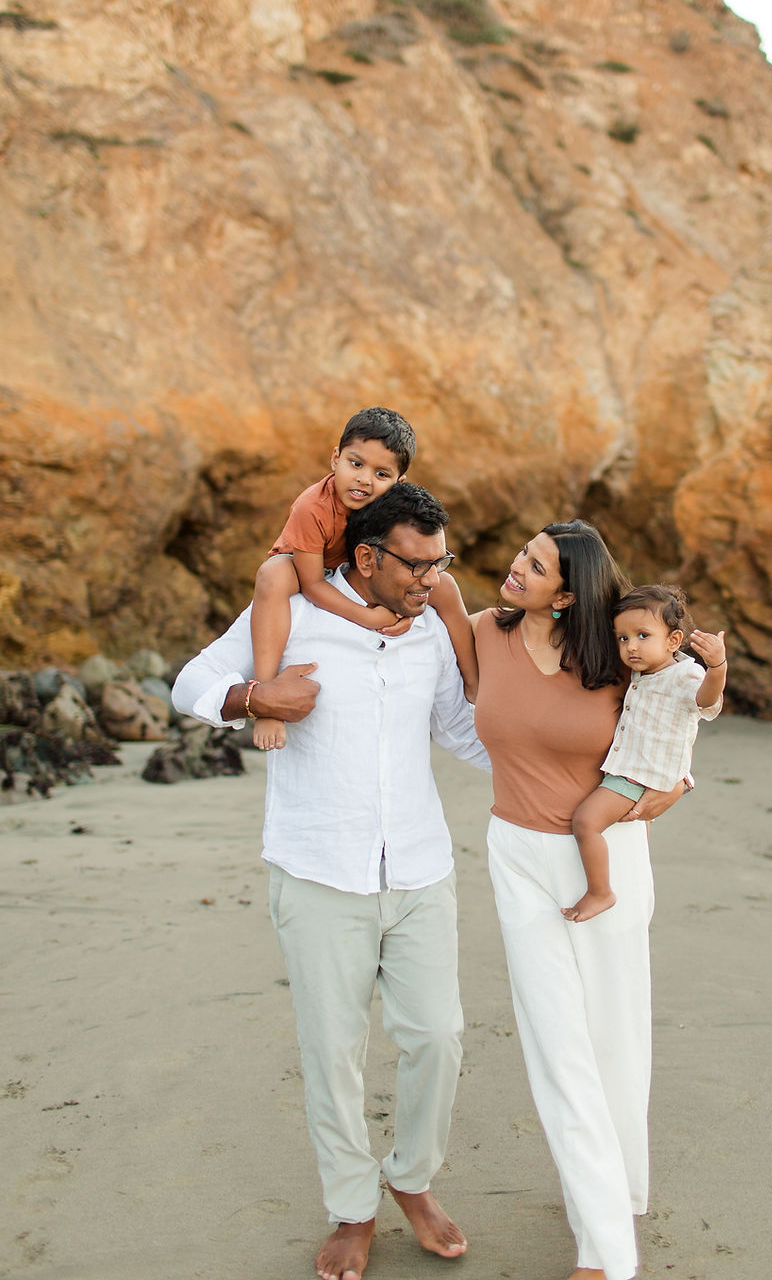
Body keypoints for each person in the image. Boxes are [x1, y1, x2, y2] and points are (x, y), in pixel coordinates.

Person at [172, 482, 490, 1280]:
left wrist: (582, 760)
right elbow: (190, 683)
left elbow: (460, 729)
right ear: (366, 555)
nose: (431, 580)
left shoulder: (426, 631)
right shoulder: (293, 610)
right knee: (333, 1052)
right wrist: (252, 696)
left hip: (419, 867)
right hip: (317, 868)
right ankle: (353, 1207)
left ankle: (410, 1177)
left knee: (438, 1036)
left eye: (440, 563)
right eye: (416, 565)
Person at [471, 521, 688, 1280]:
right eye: (522, 554)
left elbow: (677, 724)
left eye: (535, 566)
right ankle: (605, 1250)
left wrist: (667, 791)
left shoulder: (618, 655)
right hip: (516, 857)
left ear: (566, 594)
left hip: (608, 859)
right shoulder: (480, 636)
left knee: (617, 1040)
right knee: (559, 1049)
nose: (515, 567)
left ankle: (622, 1190)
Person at [250, 405, 478, 751]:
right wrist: (369, 617)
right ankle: (266, 694)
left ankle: (474, 683)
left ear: (399, 482)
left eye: (381, 473)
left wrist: (405, 600)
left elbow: (406, 557)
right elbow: (313, 584)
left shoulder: (386, 504)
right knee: (272, 576)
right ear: (335, 458)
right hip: (305, 567)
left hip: (361, 569)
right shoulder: (312, 507)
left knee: (444, 584)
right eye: (355, 464)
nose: (364, 480)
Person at [562, 583, 727, 922]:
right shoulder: (641, 672)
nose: (631, 646)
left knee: (585, 822)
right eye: (623, 638)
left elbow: (706, 702)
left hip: (640, 774)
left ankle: (600, 892)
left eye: (642, 636)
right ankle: (627, 882)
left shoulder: (685, 674)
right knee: (633, 841)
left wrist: (718, 668)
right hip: (634, 769)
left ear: (674, 641)